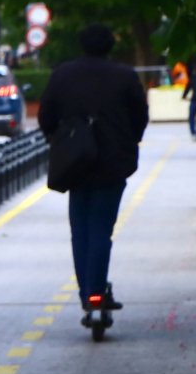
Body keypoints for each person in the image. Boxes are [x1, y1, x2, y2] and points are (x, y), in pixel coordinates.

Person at [38, 23, 150, 327]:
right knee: (102, 228)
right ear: (110, 46)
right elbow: (140, 117)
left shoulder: (63, 74)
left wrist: (62, 140)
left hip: (75, 162)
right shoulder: (125, 76)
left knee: (81, 230)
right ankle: (97, 291)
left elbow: (46, 116)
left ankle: (87, 292)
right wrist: (129, 141)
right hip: (113, 162)